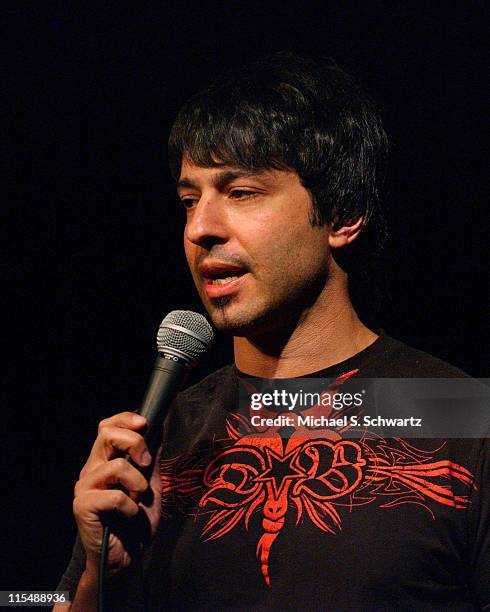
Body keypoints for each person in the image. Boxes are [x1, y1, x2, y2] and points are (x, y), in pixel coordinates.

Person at [56, 52, 489, 610]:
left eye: (241, 193)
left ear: (343, 214)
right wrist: (99, 578)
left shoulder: (461, 417)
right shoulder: (159, 436)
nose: (200, 228)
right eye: (190, 201)